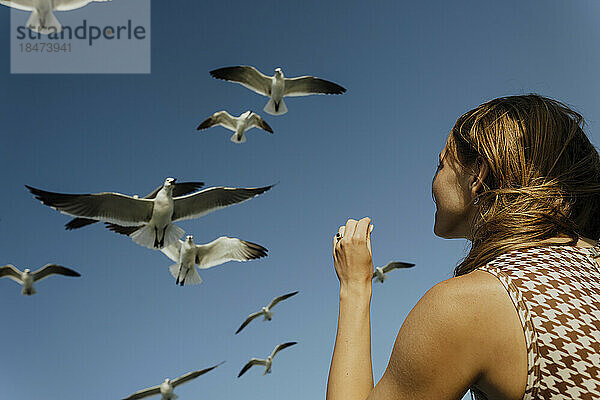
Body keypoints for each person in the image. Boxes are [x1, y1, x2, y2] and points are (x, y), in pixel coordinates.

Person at [327, 94, 600, 400]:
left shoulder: (469, 305)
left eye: (440, 165)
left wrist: (354, 286)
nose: (433, 181)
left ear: (477, 174)